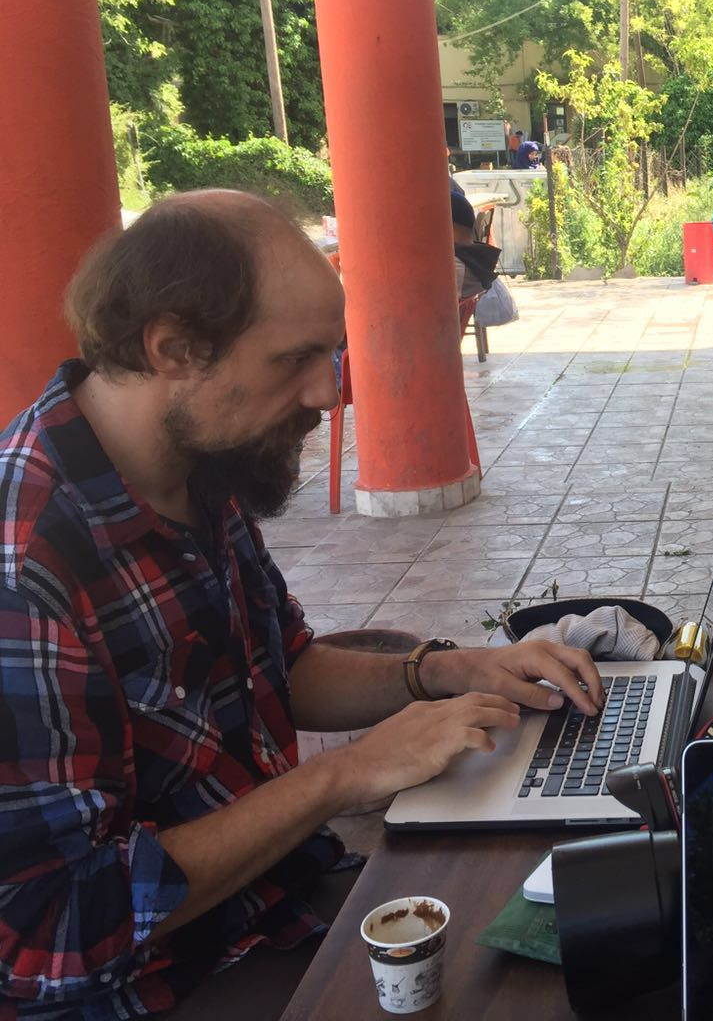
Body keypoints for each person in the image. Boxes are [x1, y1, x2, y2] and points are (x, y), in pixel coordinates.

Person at [0, 190, 604, 1019]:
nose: (328, 393)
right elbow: (55, 923)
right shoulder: (26, 562)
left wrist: (457, 668)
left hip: (277, 902)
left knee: (595, 915)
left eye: (334, 355)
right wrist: (340, 777)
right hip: (153, 984)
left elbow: (283, 666)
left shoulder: (200, 467)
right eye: (295, 359)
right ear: (174, 347)